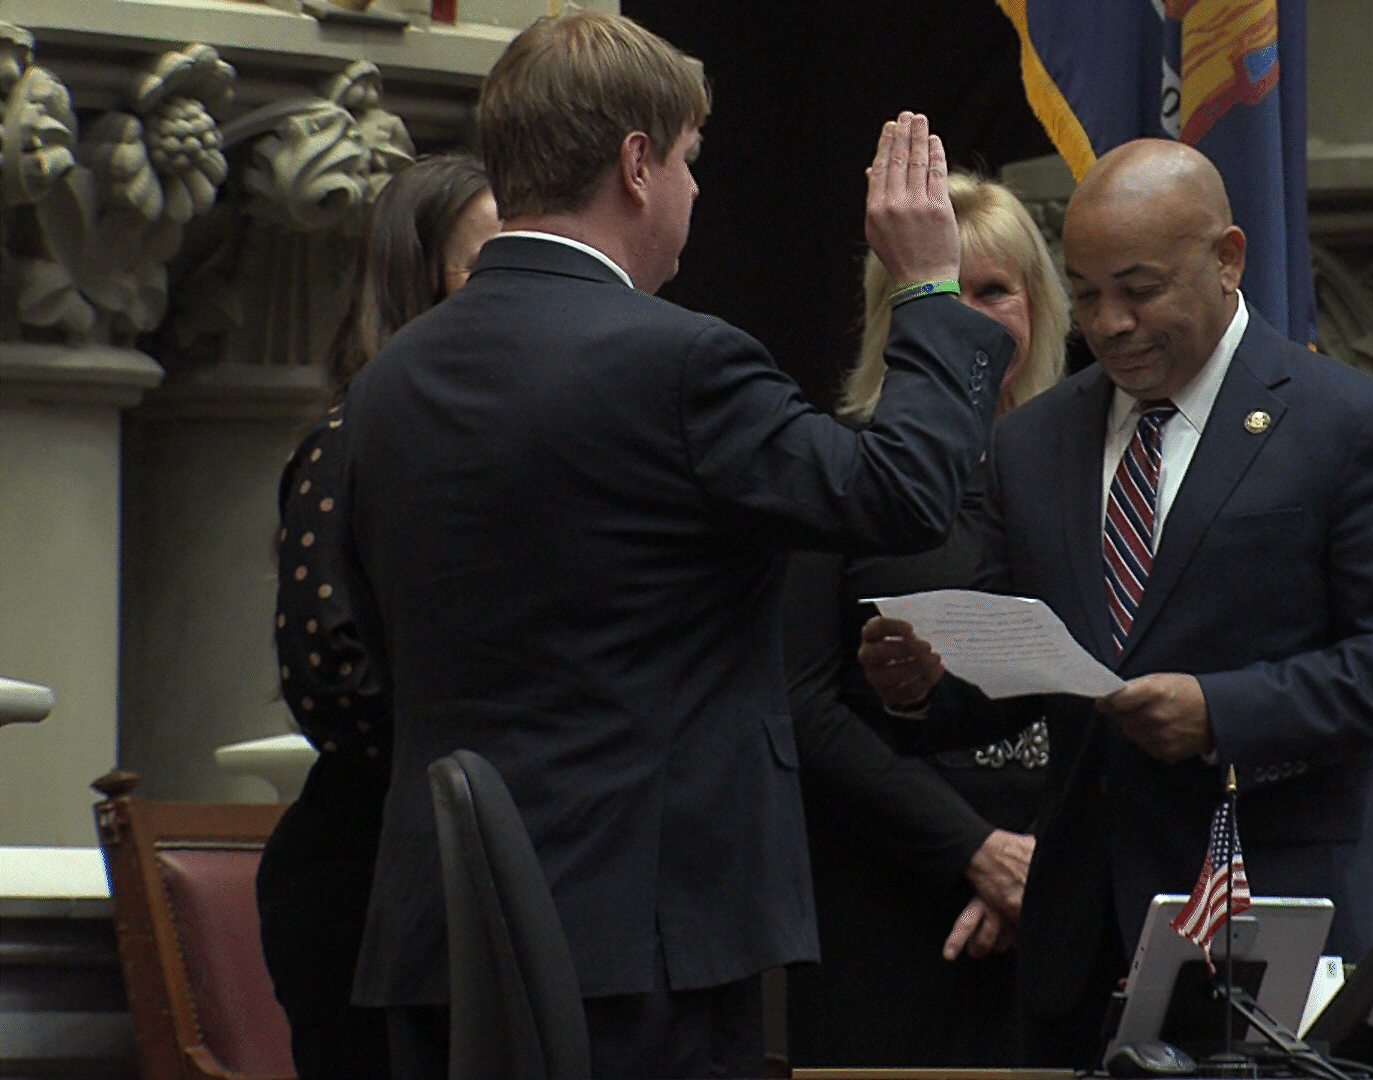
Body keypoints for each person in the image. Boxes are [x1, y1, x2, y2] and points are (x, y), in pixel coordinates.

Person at [339, 11, 1014, 1079]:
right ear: (638, 164)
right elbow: (902, 496)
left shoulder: (384, 390)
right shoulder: (682, 364)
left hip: (441, 935)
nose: (699, 195)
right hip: (647, 944)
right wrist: (928, 287)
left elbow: (367, 649)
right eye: (693, 163)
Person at [858, 138, 1373, 1068]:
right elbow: (1017, 663)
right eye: (1087, 290)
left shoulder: (1346, 425)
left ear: (1227, 259)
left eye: (1139, 290)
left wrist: (1223, 711)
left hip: (1269, 942)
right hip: (1079, 953)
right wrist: (921, 684)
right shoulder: (1033, 442)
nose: (1108, 323)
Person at [783, 173, 1068, 1068]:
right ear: (895, 315)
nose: (975, 318)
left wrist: (1039, 868)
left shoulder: (1103, 471)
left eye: (996, 291)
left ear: (1040, 305)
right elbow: (801, 705)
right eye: (947, 294)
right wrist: (973, 851)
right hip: (885, 895)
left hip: (1064, 897)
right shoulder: (837, 467)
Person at [258, 153, 497, 1080]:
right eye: (488, 261)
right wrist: (492, 752)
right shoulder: (351, 434)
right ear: (419, 278)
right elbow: (327, 672)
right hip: (365, 878)